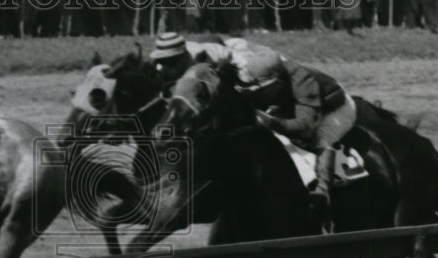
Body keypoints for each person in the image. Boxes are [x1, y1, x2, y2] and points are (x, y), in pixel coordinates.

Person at [149, 31, 356, 217]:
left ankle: (322, 192)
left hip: (334, 106)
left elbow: (304, 127)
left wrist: (270, 121)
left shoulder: (304, 85)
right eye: (248, 88)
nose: (251, 93)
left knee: (320, 140)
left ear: (277, 83)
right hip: (280, 100)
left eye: (257, 90)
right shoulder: (242, 63)